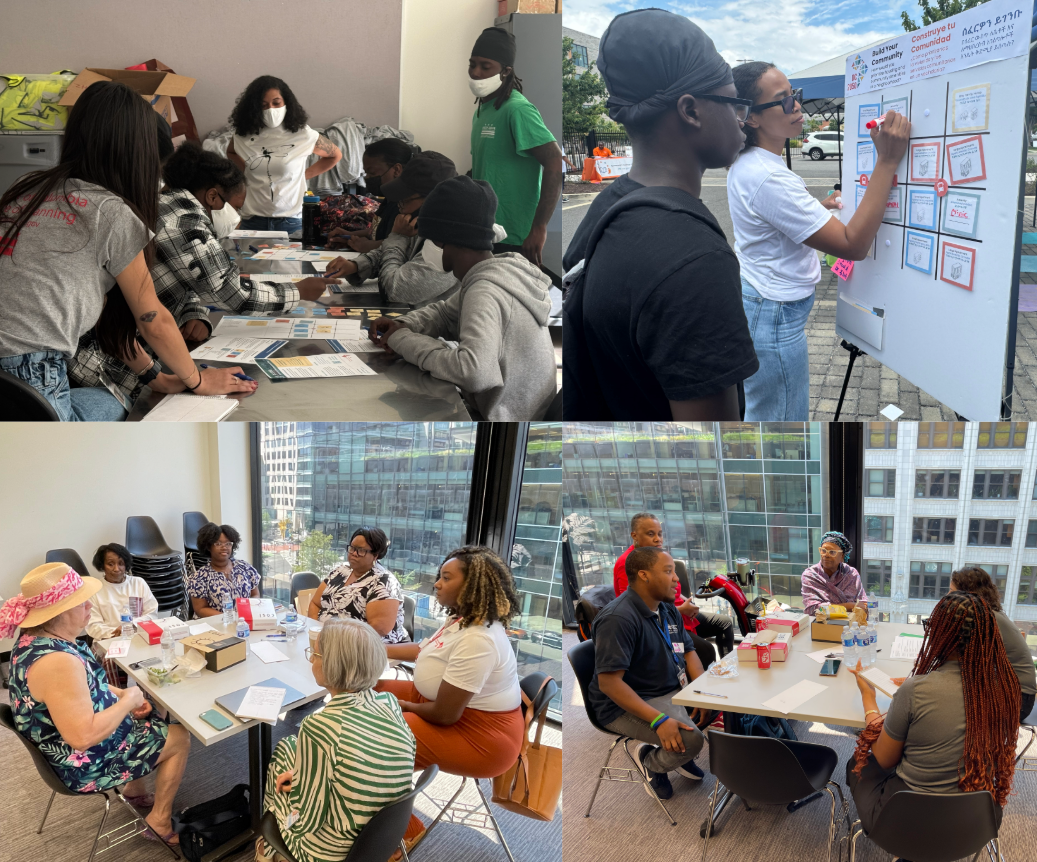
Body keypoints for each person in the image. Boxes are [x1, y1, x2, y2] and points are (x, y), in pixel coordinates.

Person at [0, 81, 256, 420]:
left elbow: (106, 319)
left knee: (115, 400)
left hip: (14, 378)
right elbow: (154, 321)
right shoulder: (112, 213)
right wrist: (197, 380)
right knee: (115, 412)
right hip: (31, 373)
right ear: (139, 154)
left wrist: (158, 378)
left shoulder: (27, 189)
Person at [562, 9, 758, 420]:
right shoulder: (694, 259)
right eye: (734, 103)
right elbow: (710, 448)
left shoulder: (609, 205)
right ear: (691, 110)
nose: (744, 121)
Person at [69, 143, 337, 402]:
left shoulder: (163, 205)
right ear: (212, 196)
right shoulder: (182, 222)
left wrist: (193, 312)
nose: (237, 216)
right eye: (235, 206)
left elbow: (181, 275)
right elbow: (231, 293)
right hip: (104, 369)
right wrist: (297, 291)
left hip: (122, 355)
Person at [729, 63, 909, 420]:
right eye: (783, 101)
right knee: (780, 425)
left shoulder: (752, 163)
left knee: (769, 414)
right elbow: (852, 245)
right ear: (751, 118)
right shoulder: (768, 176)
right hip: (773, 314)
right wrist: (887, 160)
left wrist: (817, 208)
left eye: (795, 95)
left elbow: (773, 216)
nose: (797, 105)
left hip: (763, 302)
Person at [2, 563, 191, 846]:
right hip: (79, 763)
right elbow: (82, 737)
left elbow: (85, 685)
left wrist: (121, 697)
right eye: (81, 603)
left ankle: (134, 790)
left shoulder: (36, 641)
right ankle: (159, 821)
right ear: (57, 612)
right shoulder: (57, 662)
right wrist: (127, 701)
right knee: (179, 736)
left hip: (63, 740)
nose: (89, 606)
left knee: (151, 713)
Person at [368, 175, 555, 421]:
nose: (427, 247)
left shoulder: (486, 290)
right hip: (516, 408)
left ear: (446, 239)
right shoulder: (492, 272)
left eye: (429, 239)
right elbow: (446, 313)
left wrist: (402, 340)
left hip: (508, 419)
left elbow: (473, 372)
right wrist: (405, 324)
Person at [380, 546, 525, 846]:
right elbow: (424, 650)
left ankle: (403, 832)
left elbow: (445, 715)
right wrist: (377, 649)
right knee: (368, 688)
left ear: (472, 586)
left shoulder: (479, 639)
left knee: (376, 737)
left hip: (480, 736)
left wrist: (399, 706)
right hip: (443, 705)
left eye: (446, 578)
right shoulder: (463, 619)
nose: (436, 583)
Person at [847, 591, 1018, 833]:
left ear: (940, 635)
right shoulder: (1006, 688)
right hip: (975, 823)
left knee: (857, 762)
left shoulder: (914, 691)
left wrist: (868, 696)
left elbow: (885, 759)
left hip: (907, 823)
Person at [258, 618, 416, 862]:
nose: (311, 660)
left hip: (329, 852)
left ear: (333, 665)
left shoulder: (319, 727)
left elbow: (306, 822)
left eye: (315, 654)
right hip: (379, 838)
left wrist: (290, 800)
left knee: (282, 756)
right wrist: (303, 776)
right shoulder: (389, 704)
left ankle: (265, 849)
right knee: (290, 748)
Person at [590, 546, 712, 799]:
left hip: (666, 687)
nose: (676, 578)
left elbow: (688, 651)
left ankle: (676, 754)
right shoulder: (618, 619)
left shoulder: (666, 608)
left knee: (721, 705)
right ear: (644, 575)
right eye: (668, 571)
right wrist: (659, 721)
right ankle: (651, 761)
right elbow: (610, 684)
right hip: (627, 702)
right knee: (692, 740)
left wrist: (701, 693)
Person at [469, 26, 564, 267]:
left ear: (506, 71)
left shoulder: (517, 109)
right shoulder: (482, 110)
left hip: (515, 236)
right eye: (472, 64)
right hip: (487, 230)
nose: (476, 72)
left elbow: (554, 160)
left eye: (485, 66)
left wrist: (539, 228)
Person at [325, 152, 460, 306]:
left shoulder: (448, 242)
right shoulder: (427, 222)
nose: (399, 206)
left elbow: (395, 290)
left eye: (405, 200)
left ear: (432, 200)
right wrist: (357, 266)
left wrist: (397, 236)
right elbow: (398, 252)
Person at [612, 513, 735, 669]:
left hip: (677, 612)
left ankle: (728, 668)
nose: (658, 539)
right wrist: (681, 609)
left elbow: (673, 588)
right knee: (705, 650)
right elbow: (639, 607)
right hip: (662, 621)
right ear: (634, 536)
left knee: (724, 623)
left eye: (660, 534)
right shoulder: (628, 564)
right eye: (651, 534)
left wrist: (685, 601)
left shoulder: (657, 555)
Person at [226, 75, 342, 235]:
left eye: (276, 103)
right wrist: (247, 171)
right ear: (254, 107)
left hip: (290, 222)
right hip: (252, 220)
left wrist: (304, 175)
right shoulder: (243, 135)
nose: (270, 109)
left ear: (286, 102)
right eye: (263, 105)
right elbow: (231, 152)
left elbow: (335, 155)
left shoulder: (303, 134)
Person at [949, 567, 1036, 722]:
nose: (947, 596)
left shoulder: (986, 619)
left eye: (951, 591)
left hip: (1018, 700)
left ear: (967, 595)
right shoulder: (990, 614)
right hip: (1015, 693)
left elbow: (971, 665)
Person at [307, 527, 409, 644]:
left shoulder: (384, 582)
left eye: (361, 550)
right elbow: (315, 603)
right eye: (352, 548)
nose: (354, 554)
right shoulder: (341, 570)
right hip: (326, 640)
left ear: (375, 555)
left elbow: (377, 630)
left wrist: (337, 642)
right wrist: (316, 630)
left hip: (362, 647)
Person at [85, 543, 159, 685]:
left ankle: (148, 695)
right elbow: (93, 625)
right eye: (110, 564)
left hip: (138, 635)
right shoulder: (95, 590)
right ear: (102, 565)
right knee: (109, 661)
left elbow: (152, 613)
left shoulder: (138, 583)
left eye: (121, 563)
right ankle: (116, 696)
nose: (116, 569)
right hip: (107, 640)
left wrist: (131, 625)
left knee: (155, 654)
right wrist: (116, 632)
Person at [328, 138, 415, 252]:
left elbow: (407, 244)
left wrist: (370, 246)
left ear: (396, 170)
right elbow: (379, 229)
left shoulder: (407, 205)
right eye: (366, 173)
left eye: (372, 173)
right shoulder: (390, 198)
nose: (368, 178)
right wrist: (350, 236)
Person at [186, 522, 260, 617]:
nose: (224, 547)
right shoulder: (199, 577)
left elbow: (255, 594)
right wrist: (230, 618)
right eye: (218, 543)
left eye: (228, 543)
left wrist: (249, 611)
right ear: (208, 547)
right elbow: (200, 609)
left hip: (243, 621)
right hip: (215, 623)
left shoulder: (245, 567)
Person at [800, 531, 866, 616]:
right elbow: (812, 609)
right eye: (823, 551)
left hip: (849, 622)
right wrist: (849, 606)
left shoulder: (852, 574)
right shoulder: (810, 575)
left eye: (832, 552)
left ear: (842, 556)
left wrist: (829, 607)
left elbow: (863, 604)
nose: (826, 555)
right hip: (820, 623)